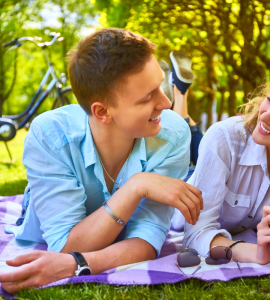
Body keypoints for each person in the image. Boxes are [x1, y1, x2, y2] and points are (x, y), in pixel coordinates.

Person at [0, 28, 203, 294]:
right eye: (147, 97)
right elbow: (64, 245)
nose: (166, 103)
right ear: (103, 112)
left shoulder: (174, 134)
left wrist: (78, 265)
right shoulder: (50, 135)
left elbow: (146, 239)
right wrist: (136, 186)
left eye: (161, 86)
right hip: (44, 211)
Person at [182, 63, 270, 265]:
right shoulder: (224, 138)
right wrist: (255, 254)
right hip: (186, 184)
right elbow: (195, 235)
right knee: (184, 132)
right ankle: (179, 95)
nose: (266, 116)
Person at [158, 52, 203, 166]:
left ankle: (179, 93)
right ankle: (180, 92)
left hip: (180, 171)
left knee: (182, 129)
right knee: (203, 161)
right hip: (199, 168)